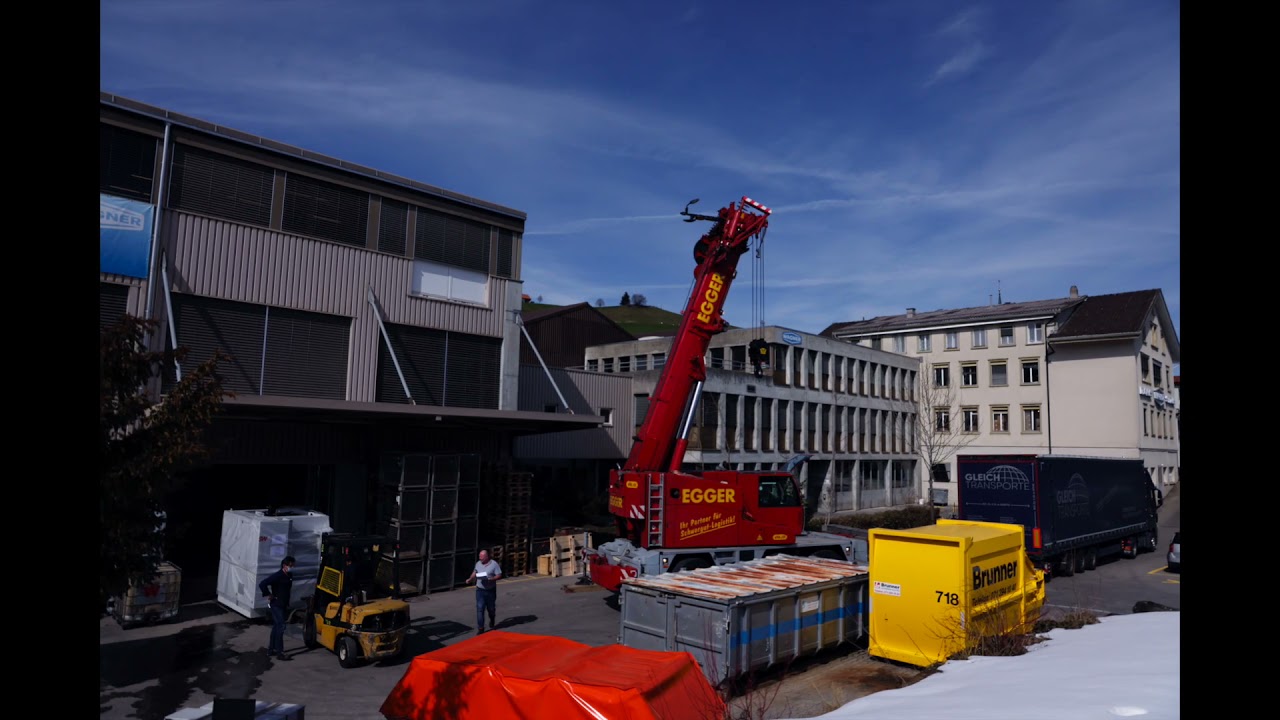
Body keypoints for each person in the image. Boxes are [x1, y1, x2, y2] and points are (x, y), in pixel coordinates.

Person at [259, 555, 296, 661]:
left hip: (283, 604)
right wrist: (268, 594)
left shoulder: (289, 575)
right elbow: (262, 584)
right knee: (281, 626)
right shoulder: (278, 575)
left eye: (293, 565)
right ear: (284, 565)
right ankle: (280, 652)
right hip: (276, 604)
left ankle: (271, 650)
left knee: (276, 626)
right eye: (290, 565)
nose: (292, 567)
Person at [466, 549, 502, 633]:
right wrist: (470, 579)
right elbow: (475, 572)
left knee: (491, 609)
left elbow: (499, 575)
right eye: (479, 556)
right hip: (480, 590)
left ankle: (492, 618)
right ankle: (481, 628)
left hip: (490, 590)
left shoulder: (494, 564)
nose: (480, 558)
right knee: (480, 608)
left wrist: (492, 579)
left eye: (482, 557)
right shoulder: (478, 563)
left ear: (487, 557)